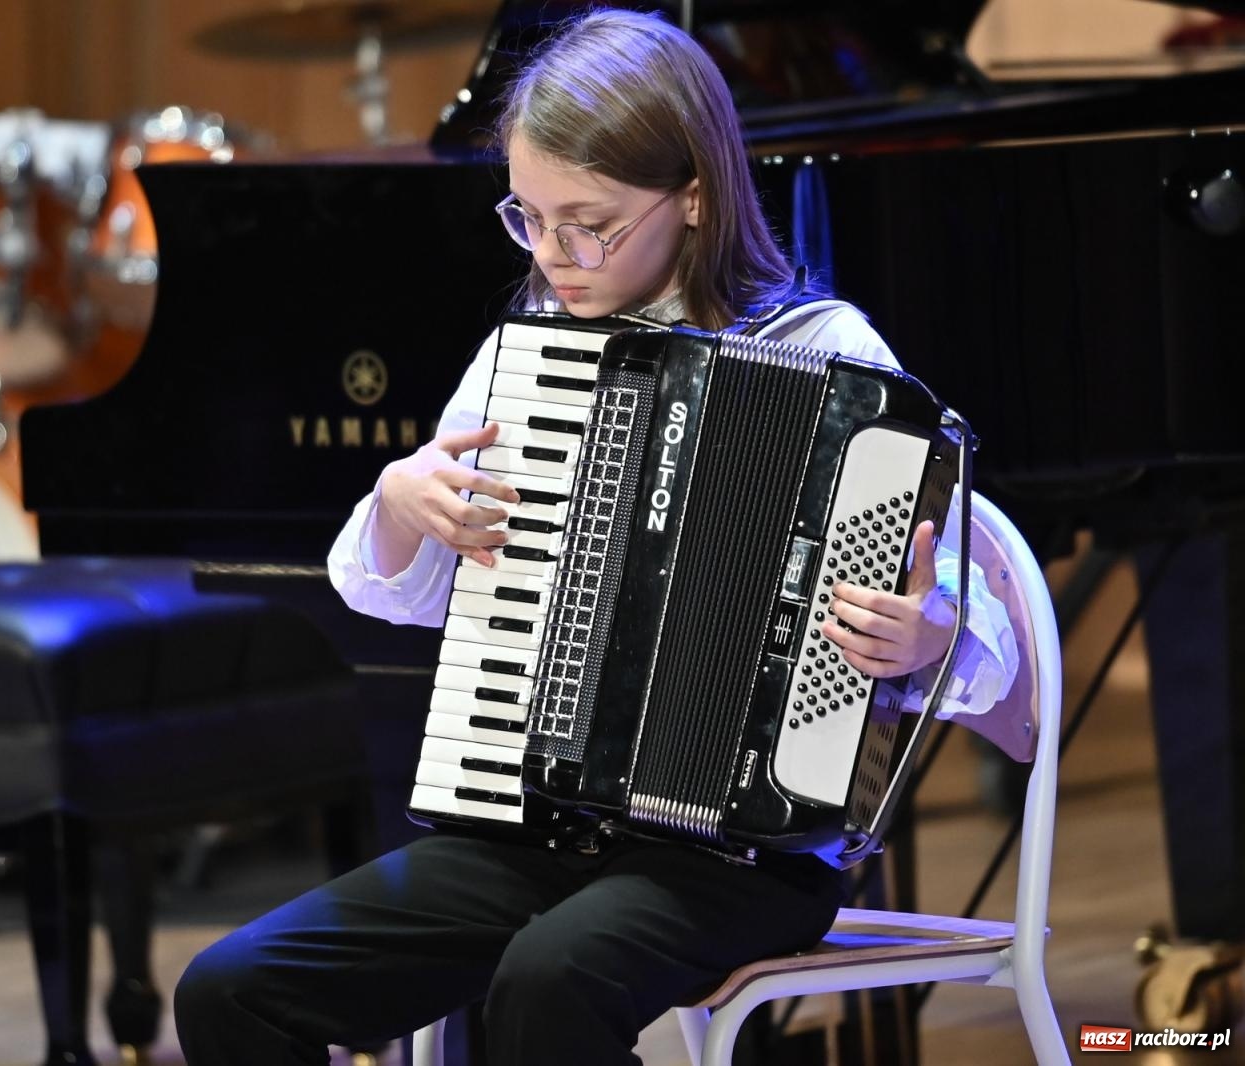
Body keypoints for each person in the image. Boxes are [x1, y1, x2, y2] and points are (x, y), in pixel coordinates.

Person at [174, 9, 1018, 1065]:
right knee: (233, 990)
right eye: (527, 218)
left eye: (591, 223)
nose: (556, 257)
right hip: (529, 828)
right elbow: (387, 591)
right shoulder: (522, 362)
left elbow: (978, 620)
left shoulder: (830, 357)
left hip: (743, 857)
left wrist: (927, 637)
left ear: (695, 197)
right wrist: (401, 502)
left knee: (548, 978)